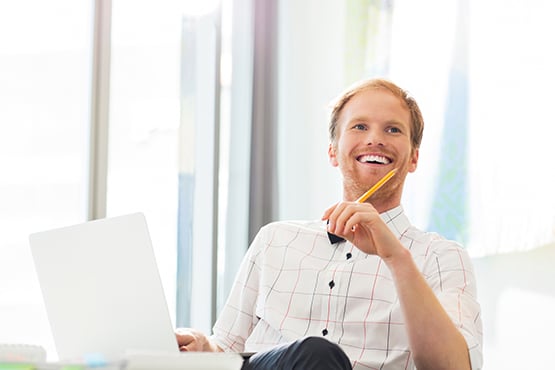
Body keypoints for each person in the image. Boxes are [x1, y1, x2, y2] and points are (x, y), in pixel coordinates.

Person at [176, 78, 483, 369]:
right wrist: (203, 345)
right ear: (333, 151)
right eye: (359, 126)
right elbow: (227, 348)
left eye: (393, 130)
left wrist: (397, 258)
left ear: (413, 158)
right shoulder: (275, 240)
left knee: (317, 355)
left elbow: (455, 367)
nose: (375, 139)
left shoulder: (442, 257)